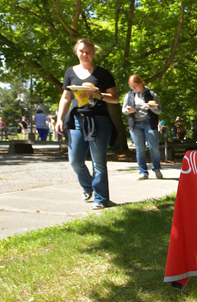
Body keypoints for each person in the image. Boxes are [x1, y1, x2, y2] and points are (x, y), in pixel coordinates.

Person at [55, 38, 119, 210]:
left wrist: (99, 95)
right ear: (77, 51)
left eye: (88, 52)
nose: (85, 54)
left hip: (99, 120)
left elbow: (115, 98)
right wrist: (60, 118)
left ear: (94, 53)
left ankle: (101, 199)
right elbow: (66, 97)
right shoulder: (70, 72)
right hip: (77, 119)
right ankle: (87, 186)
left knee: (98, 162)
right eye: (82, 51)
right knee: (75, 160)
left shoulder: (103, 74)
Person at [122, 74, 163, 179]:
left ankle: (157, 169)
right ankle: (143, 172)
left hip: (149, 123)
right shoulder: (129, 95)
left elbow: (159, 111)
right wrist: (128, 110)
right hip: (135, 124)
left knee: (154, 148)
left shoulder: (152, 94)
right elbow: (124, 110)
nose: (133, 88)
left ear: (141, 83)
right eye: (131, 86)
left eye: (135, 86)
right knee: (140, 149)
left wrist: (151, 107)